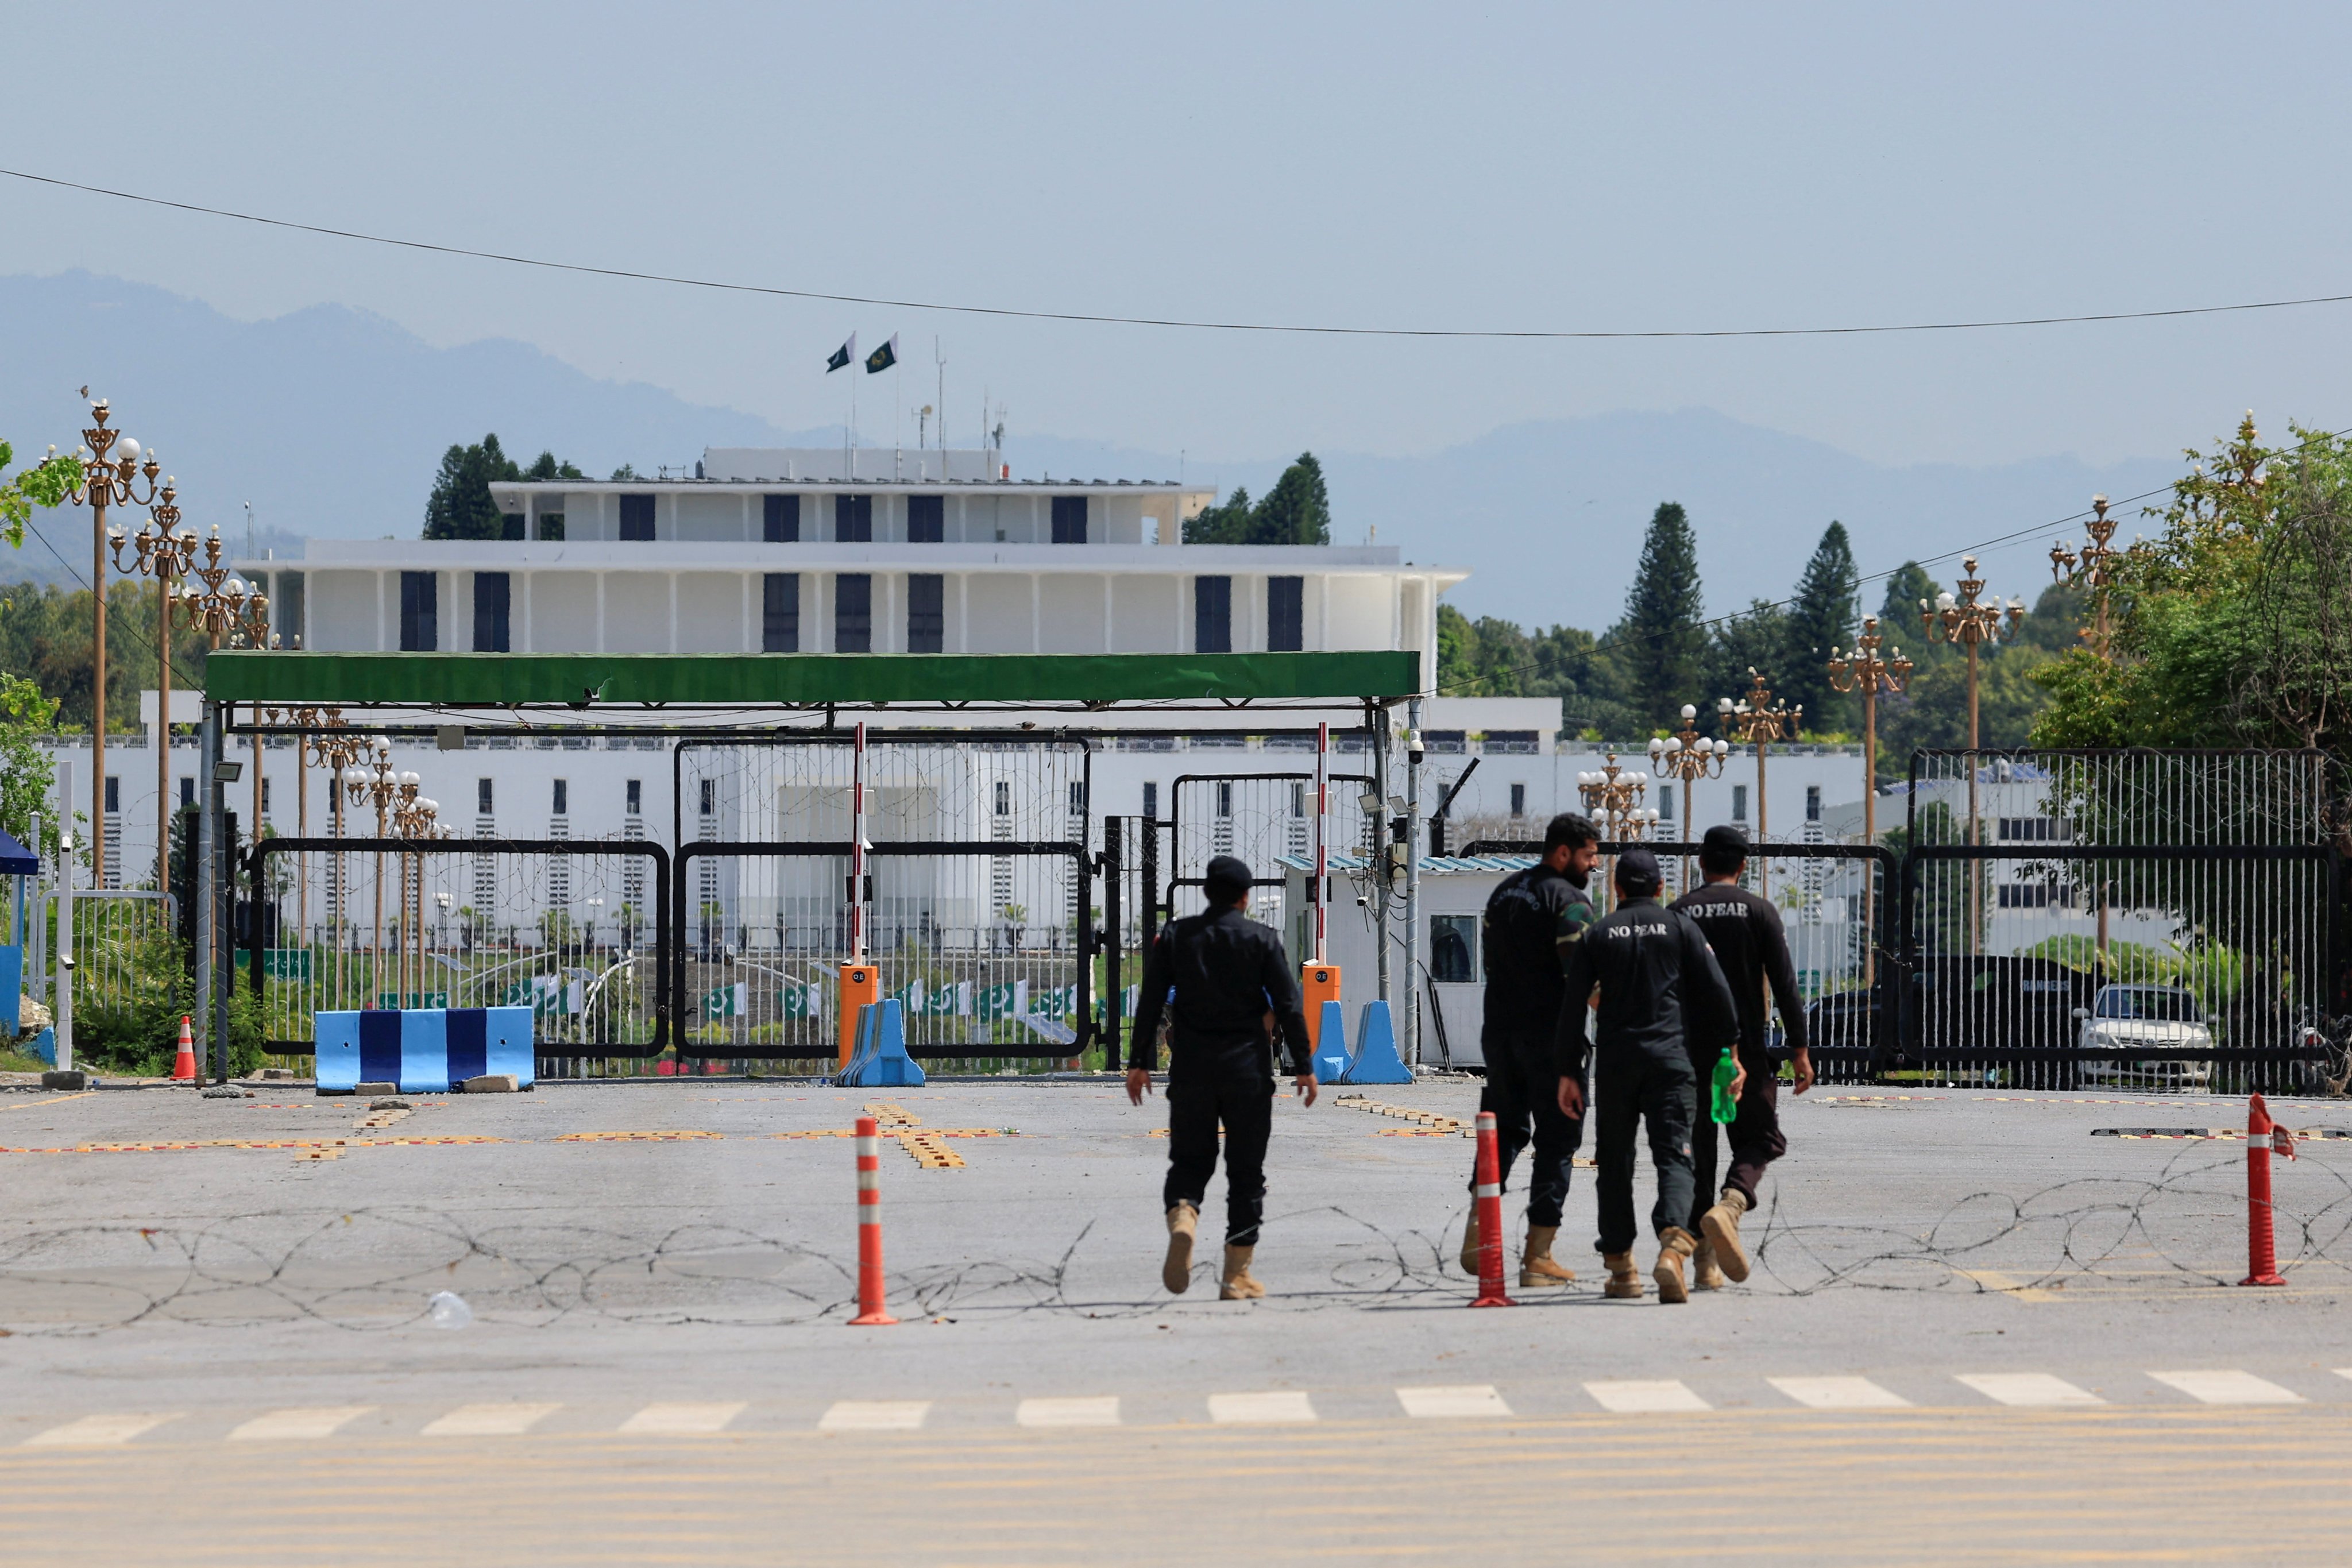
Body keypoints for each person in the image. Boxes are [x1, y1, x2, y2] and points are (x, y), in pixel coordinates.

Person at [1127, 854, 1318, 1300]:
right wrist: (1305, 1066)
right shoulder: (1262, 939)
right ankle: (1237, 1275)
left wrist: (1138, 1062)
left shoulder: (1177, 936)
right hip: (1247, 1072)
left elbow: (1151, 1001)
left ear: (1206, 893)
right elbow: (1289, 1005)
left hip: (1191, 1069)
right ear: (1245, 897)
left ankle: (1184, 1218)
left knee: (1191, 1162)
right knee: (1246, 1172)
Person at [1555, 847, 1738, 1304]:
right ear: (1660, 888)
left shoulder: (1597, 934)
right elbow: (1718, 995)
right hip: (1670, 1062)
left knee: (1614, 1163)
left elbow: (1572, 1006)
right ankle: (1674, 1248)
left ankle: (1621, 1269)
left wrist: (1567, 1071)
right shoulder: (1680, 928)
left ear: (1616, 889)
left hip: (1617, 1064)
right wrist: (1730, 1053)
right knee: (1677, 1156)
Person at [1457, 812, 1600, 1288]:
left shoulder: (1504, 893)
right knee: (1558, 1140)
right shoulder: (1569, 901)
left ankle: (1479, 1232)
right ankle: (1538, 1256)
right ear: (1564, 853)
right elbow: (1584, 981)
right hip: (1551, 1040)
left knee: (1502, 1131)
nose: (1593, 865)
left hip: (1499, 1034)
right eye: (1588, 855)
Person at [1671, 824, 1813, 1288]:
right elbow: (1785, 984)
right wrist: (1800, 1049)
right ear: (1743, 865)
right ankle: (1731, 1205)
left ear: (1701, 863)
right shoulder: (1759, 911)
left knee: (1698, 1153)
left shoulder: (1680, 912)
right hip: (1747, 1051)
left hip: (1690, 1049)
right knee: (1762, 1138)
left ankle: (1704, 1263)